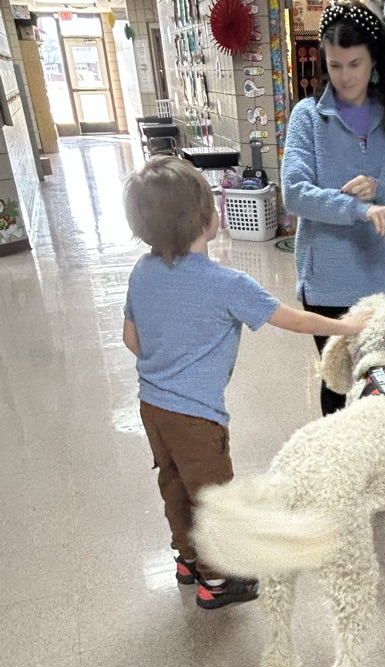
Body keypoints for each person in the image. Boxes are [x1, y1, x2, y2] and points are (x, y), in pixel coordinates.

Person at [122, 156, 370, 609]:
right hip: (196, 416)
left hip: (152, 408)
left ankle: (186, 559)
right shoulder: (227, 283)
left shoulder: (142, 271)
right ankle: (217, 581)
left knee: (173, 484)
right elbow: (293, 321)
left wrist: (167, 366)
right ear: (203, 218)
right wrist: (349, 327)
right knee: (215, 498)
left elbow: (130, 338)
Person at [281, 0, 385, 416]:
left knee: (381, 380)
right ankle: (339, 467)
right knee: (338, 384)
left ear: (373, 60)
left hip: (377, 280)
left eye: (354, 64)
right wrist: (360, 209)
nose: (345, 76)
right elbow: (295, 193)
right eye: (335, 65)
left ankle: (374, 464)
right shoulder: (307, 117)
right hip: (325, 283)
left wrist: (380, 189)